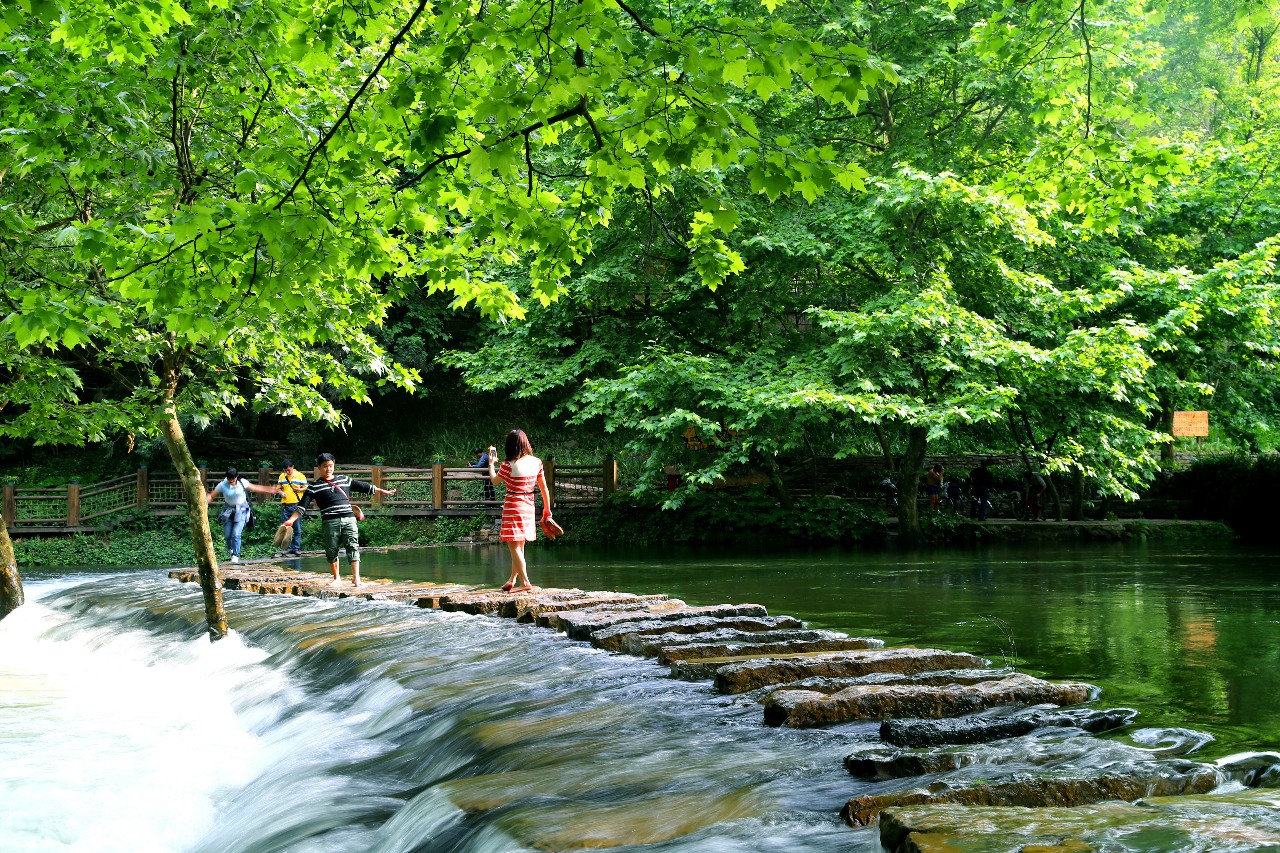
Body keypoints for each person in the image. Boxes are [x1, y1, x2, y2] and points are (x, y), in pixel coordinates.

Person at [282, 453, 395, 586]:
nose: (328, 469)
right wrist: (291, 520)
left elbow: (364, 486)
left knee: (353, 546)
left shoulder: (345, 480)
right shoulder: (314, 487)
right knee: (331, 549)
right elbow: (302, 506)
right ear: (319, 467)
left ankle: (356, 578)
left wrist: (382, 491)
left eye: (331, 466)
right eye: (325, 466)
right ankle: (336, 578)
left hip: (349, 519)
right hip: (330, 522)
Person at [487, 429, 553, 593]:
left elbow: (495, 482)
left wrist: (490, 463)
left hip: (513, 506)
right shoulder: (537, 462)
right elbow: (544, 488)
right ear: (525, 443)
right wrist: (547, 509)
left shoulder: (507, 466)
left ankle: (525, 583)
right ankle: (512, 579)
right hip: (529, 505)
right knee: (520, 545)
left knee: (514, 546)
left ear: (509, 446)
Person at [205, 467, 277, 564]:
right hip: (228, 511)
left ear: (236, 477)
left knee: (236, 533)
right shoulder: (222, 485)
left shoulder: (242, 482)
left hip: (242, 510)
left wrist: (270, 490)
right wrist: (204, 502)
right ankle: (231, 550)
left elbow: (256, 488)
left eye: (233, 478)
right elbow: (212, 496)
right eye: (229, 479)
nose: (231, 481)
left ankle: (236, 555)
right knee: (227, 535)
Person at [275, 458, 308, 556]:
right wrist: (281, 493)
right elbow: (278, 488)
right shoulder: (282, 476)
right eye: (285, 470)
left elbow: (306, 487)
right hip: (285, 505)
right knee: (286, 527)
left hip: (297, 505)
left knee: (297, 527)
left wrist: (299, 489)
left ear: (293, 467)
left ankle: (296, 547)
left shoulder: (300, 475)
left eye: (288, 470)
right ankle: (287, 548)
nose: (287, 472)